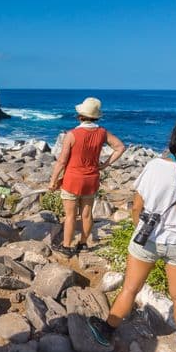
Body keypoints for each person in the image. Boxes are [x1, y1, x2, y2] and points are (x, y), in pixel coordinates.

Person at [90, 112, 176, 352]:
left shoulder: (155, 166)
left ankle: (107, 330)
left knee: (130, 289)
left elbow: (136, 207)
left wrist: (138, 230)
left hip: (148, 238)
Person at [48, 97, 126, 257]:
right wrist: (104, 165)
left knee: (70, 215)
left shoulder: (72, 134)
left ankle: (67, 246)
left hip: (72, 179)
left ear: (80, 116)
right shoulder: (102, 133)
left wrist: (53, 181)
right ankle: (83, 243)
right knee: (87, 214)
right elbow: (120, 147)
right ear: (96, 117)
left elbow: (62, 161)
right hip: (91, 179)